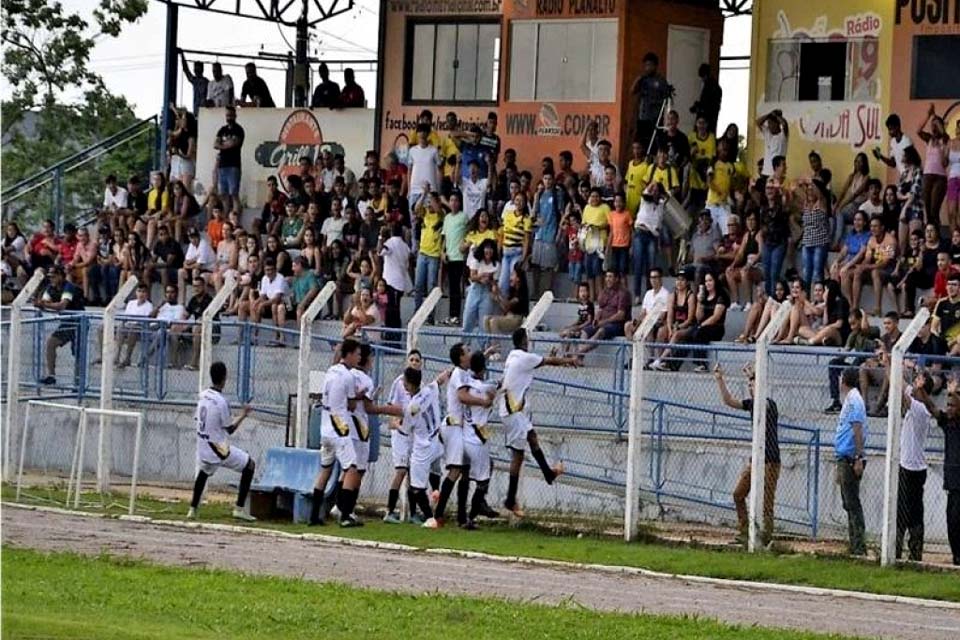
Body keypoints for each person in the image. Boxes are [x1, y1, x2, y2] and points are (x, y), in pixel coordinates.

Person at [500, 328, 579, 517]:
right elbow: (549, 361)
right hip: (513, 410)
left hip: (514, 410)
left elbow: (539, 363)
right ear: (524, 341)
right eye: (528, 339)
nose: (530, 341)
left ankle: (548, 474)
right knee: (518, 456)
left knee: (532, 437)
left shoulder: (514, 356)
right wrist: (569, 360)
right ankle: (511, 500)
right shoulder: (523, 358)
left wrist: (547, 360)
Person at [714, 364, 780, 545]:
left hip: (770, 459)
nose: (751, 389)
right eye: (750, 386)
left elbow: (763, 403)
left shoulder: (769, 404)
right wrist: (720, 379)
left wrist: (754, 377)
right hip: (756, 460)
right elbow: (729, 401)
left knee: (766, 502)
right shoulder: (751, 404)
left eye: (754, 385)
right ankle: (744, 532)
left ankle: (765, 538)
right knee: (738, 494)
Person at [434, 343, 497, 527]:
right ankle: (438, 515)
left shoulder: (464, 372)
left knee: (465, 471)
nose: (470, 354)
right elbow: (462, 396)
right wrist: (483, 402)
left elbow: (476, 368)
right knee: (455, 471)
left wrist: (485, 354)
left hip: (460, 428)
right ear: (461, 357)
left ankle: (463, 518)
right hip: (453, 426)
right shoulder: (459, 375)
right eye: (467, 351)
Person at [187, 361, 256, 521]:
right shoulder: (221, 402)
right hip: (218, 448)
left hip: (203, 444)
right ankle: (239, 508)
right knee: (250, 465)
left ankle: (193, 509)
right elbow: (230, 428)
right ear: (224, 377)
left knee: (204, 472)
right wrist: (244, 414)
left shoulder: (203, 395)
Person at [310, 339, 364, 527]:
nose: (359, 358)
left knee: (325, 469)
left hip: (325, 427)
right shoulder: (347, 376)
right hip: (339, 428)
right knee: (351, 469)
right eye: (357, 354)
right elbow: (350, 404)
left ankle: (314, 515)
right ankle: (345, 515)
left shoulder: (330, 371)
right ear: (348, 354)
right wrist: (359, 394)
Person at [912, 372, 960, 566]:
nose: (948, 409)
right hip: (952, 481)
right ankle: (956, 555)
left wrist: (953, 392)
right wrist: (922, 389)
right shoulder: (948, 424)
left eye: (952, 406)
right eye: (947, 405)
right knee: (952, 520)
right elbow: (931, 407)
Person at [460, 351, 500, 529]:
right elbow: (499, 384)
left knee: (482, 469)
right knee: (482, 480)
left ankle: (472, 510)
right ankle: (472, 516)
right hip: (478, 438)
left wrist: (484, 354)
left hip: (466, 435)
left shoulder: (468, 382)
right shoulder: (485, 388)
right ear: (483, 368)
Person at [835, 366, 868, 556]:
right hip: (844, 456)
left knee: (852, 503)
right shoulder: (850, 399)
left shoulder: (854, 400)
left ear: (844, 380)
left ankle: (858, 546)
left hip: (850, 457)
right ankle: (854, 543)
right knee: (848, 502)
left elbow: (857, 428)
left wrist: (858, 457)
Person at [37, 266, 85, 385]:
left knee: (78, 352)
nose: (51, 279)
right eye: (50, 277)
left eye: (53, 277)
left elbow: (62, 305)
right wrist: (42, 304)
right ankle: (51, 375)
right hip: (66, 322)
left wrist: (45, 305)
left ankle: (78, 382)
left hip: (79, 322)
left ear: (60, 276)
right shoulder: (50, 288)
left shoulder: (68, 287)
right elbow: (44, 302)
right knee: (51, 343)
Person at [851, 216, 897, 315]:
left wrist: (866, 267)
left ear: (882, 227)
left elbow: (885, 263)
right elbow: (868, 258)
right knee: (858, 272)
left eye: (876, 226)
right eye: (871, 226)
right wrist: (862, 267)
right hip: (874, 268)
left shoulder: (890, 240)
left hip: (889, 270)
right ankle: (854, 307)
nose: (873, 229)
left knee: (875, 272)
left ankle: (877, 308)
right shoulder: (871, 240)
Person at [577, 270, 630, 356]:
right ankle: (579, 358)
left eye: (610, 277)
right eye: (606, 277)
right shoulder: (604, 292)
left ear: (616, 279)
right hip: (602, 323)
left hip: (617, 325)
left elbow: (621, 315)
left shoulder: (623, 293)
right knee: (584, 331)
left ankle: (577, 353)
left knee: (601, 331)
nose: (607, 279)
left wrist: (604, 321)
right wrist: (596, 319)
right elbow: (600, 309)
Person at [631, 52, 671, 150]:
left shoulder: (661, 81)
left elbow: (667, 99)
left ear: (655, 66)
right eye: (646, 65)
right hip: (642, 117)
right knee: (641, 143)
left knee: (653, 143)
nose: (647, 68)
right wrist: (638, 80)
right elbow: (632, 91)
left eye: (650, 65)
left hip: (655, 118)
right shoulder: (643, 80)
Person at [441, 193, 468, 325]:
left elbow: (468, 234)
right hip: (449, 257)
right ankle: (451, 314)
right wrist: (442, 251)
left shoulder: (463, 217)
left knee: (457, 287)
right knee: (451, 288)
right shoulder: (446, 218)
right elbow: (445, 237)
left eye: (456, 200)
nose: (453, 203)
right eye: (451, 200)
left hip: (460, 257)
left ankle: (456, 315)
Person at [115, 282, 154, 369]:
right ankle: (117, 356)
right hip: (128, 325)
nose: (141, 294)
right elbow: (126, 317)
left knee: (133, 328)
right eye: (139, 291)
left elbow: (146, 321)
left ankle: (127, 358)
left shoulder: (149, 306)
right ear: (136, 292)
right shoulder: (131, 303)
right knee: (121, 327)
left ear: (147, 294)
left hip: (140, 328)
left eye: (143, 292)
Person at [214, 106, 245, 214]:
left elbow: (234, 143)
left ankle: (236, 218)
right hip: (223, 165)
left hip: (233, 165)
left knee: (234, 194)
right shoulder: (222, 130)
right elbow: (216, 144)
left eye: (231, 115)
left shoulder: (238, 129)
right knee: (223, 194)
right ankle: (227, 217)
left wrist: (223, 145)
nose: (229, 117)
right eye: (227, 115)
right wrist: (225, 145)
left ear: (235, 116)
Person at [624, 267, 669, 339]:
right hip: (645, 320)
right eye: (651, 278)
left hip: (656, 322)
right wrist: (637, 320)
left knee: (648, 327)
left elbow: (661, 316)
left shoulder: (665, 294)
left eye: (655, 277)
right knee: (628, 325)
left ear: (660, 279)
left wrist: (646, 320)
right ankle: (633, 349)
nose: (653, 280)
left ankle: (648, 350)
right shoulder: (648, 293)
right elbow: (643, 312)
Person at [874, 113, 914, 177]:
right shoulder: (893, 142)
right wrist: (880, 156)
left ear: (897, 127)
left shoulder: (907, 141)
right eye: (888, 129)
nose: (889, 132)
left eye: (891, 129)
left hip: (911, 175)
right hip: (903, 175)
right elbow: (893, 163)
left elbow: (913, 163)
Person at [690, 63, 722, 133]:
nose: (702, 80)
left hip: (706, 121)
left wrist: (697, 107)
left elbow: (707, 105)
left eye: (702, 77)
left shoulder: (709, 87)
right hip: (711, 120)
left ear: (705, 75)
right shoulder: (715, 86)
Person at [756, 109, 788, 177]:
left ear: (777, 124)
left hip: (777, 175)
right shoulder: (767, 133)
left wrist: (776, 116)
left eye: (771, 123)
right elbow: (758, 122)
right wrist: (769, 114)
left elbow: (784, 124)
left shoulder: (783, 136)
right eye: (768, 123)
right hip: (765, 173)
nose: (769, 126)